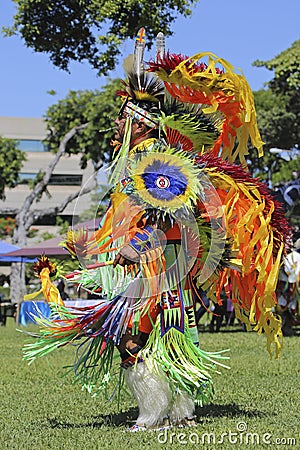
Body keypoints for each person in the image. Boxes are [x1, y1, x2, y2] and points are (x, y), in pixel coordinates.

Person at [24, 29, 290, 431]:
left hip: (156, 269)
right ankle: (176, 413)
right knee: (163, 339)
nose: (114, 127)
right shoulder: (135, 163)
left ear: (139, 125)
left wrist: (137, 247)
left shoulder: (153, 161)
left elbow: (171, 215)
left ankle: (154, 414)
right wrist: (100, 244)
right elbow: (134, 216)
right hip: (152, 269)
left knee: (135, 341)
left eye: (121, 121)